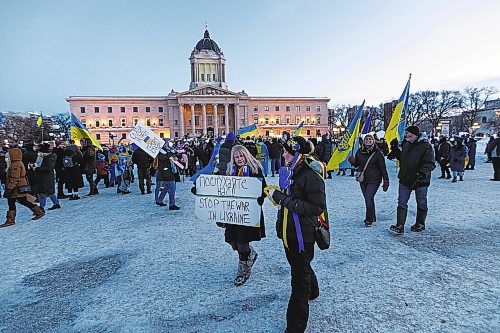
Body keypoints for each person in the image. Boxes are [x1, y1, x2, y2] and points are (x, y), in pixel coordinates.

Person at [271, 136, 326, 333]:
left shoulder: (310, 175)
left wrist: (285, 200)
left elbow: (317, 207)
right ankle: (314, 289)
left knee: (298, 280)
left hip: (303, 234)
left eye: (286, 151)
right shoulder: (290, 171)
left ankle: (295, 327)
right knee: (299, 265)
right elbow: (288, 199)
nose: (283, 154)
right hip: (288, 231)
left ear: (297, 155)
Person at [224, 145, 266, 286]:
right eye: (237, 157)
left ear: (246, 156)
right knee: (231, 240)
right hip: (233, 211)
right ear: (233, 159)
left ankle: (243, 271)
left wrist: (258, 199)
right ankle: (250, 254)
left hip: (248, 212)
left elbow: (263, 189)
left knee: (242, 242)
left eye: (242, 156)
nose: (239, 159)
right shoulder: (230, 171)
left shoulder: (255, 169)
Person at [388, 125, 435, 234]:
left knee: (421, 202)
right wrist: (395, 149)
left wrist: (423, 173)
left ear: (415, 134)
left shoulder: (426, 146)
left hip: (421, 180)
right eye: (406, 134)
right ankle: (400, 226)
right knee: (402, 202)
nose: (407, 136)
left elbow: (430, 163)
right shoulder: (407, 145)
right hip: (405, 178)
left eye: (409, 134)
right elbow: (403, 159)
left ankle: (420, 223)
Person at [348, 134, 389, 226]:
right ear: (364, 141)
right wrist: (352, 162)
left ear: (373, 141)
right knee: (368, 198)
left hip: (374, 179)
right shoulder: (359, 151)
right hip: (363, 179)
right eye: (367, 139)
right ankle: (372, 216)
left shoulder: (378, 153)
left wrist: (386, 180)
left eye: (370, 139)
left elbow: (383, 168)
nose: (368, 141)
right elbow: (357, 165)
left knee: (368, 197)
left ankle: (369, 219)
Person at [0, 148, 45, 228]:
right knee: (21, 201)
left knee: (15, 201)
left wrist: (9, 188)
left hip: (16, 187)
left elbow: (15, 178)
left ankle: (10, 220)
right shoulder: (16, 163)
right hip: (17, 186)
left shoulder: (15, 164)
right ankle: (38, 211)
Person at [32, 143, 61, 211]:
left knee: (42, 192)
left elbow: (49, 168)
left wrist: (37, 168)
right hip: (45, 177)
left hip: (45, 177)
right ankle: (56, 204)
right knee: (50, 191)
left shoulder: (48, 158)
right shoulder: (46, 157)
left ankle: (41, 208)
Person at [155, 143, 180, 210]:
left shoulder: (165, 151)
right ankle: (172, 204)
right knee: (172, 188)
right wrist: (171, 153)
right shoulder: (159, 152)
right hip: (166, 173)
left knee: (166, 187)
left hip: (167, 172)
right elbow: (163, 158)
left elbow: (169, 157)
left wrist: (174, 156)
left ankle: (159, 200)